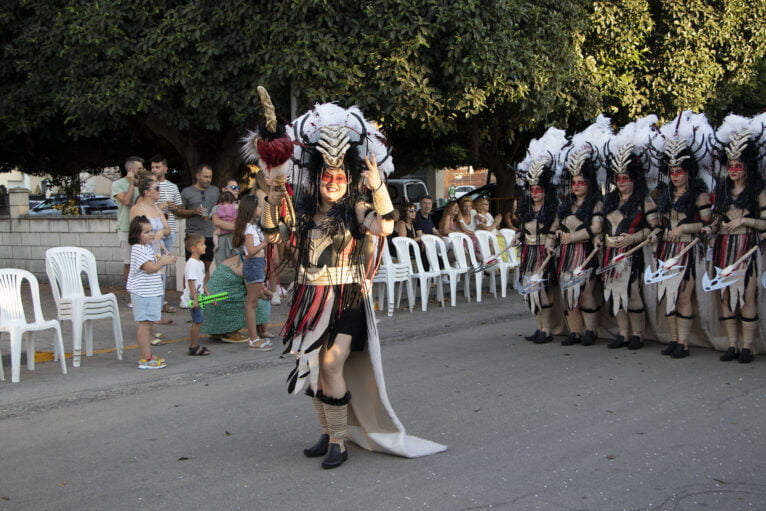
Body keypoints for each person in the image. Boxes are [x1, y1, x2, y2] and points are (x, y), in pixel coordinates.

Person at [244, 95, 445, 468]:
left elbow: (385, 226)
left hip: (346, 297)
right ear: (317, 177)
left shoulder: (357, 208)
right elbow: (272, 236)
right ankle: (327, 431)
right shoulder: (300, 211)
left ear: (348, 178)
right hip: (308, 297)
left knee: (333, 363)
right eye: (327, 176)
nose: (333, 182)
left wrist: (378, 186)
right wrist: (272, 200)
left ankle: (339, 441)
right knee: (315, 366)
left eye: (340, 177)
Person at [703, 115, 766, 363]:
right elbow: (717, 218)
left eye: (738, 166)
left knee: (747, 295)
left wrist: (745, 221)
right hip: (723, 248)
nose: (733, 170)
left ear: (747, 167)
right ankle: (732, 345)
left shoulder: (759, 192)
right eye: (730, 166)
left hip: (746, 248)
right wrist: (711, 229)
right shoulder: (722, 191)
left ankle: (748, 346)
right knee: (726, 296)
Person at [653, 112, 713, 359]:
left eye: (680, 171)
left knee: (684, 295)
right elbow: (660, 223)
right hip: (667, 250)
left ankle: (684, 343)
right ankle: (674, 339)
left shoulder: (699, 196)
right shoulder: (665, 196)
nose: (676, 175)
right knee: (670, 295)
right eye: (673, 171)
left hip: (688, 251)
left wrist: (685, 229)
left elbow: (709, 225)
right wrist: (658, 234)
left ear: (688, 171)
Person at [601, 117, 659, 350]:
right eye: (618, 178)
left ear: (634, 179)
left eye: (626, 178)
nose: (622, 182)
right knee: (615, 295)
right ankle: (623, 333)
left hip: (633, 255)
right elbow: (602, 226)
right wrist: (603, 238)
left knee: (633, 293)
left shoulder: (645, 202)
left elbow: (655, 229)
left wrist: (634, 237)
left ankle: (637, 334)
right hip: (610, 255)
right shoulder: (609, 201)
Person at [554, 120, 608, 346]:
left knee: (586, 292)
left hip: (585, 254)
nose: (576, 186)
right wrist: (554, 237)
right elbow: (555, 226)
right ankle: (574, 332)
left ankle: (590, 331)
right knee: (568, 294)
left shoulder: (596, 203)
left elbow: (596, 229)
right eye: (574, 182)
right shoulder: (565, 205)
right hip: (566, 255)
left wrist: (573, 237)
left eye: (580, 182)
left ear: (589, 183)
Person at [514, 129, 563, 344]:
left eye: (538, 189)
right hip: (528, 252)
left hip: (545, 253)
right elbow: (523, 228)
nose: (535, 193)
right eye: (532, 189)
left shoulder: (553, 208)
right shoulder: (526, 208)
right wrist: (518, 236)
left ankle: (548, 330)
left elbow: (555, 229)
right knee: (530, 293)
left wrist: (551, 242)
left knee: (542, 291)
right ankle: (539, 327)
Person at [126, 216, 176, 369]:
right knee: (145, 324)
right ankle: (146, 358)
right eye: (146, 232)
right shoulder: (138, 249)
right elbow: (150, 268)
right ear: (137, 234)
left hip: (150, 291)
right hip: (143, 293)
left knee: (148, 324)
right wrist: (163, 261)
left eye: (151, 231)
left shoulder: (146, 247)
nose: (151, 234)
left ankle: (147, 355)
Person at [231, 194, 272, 351]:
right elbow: (250, 252)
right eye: (258, 207)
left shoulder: (252, 226)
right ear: (252, 209)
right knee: (251, 303)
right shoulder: (249, 228)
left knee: (252, 303)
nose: (260, 209)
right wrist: (265, 243)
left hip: (257, 264)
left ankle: (255, 337)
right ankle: (253, 339)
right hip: (253, 264)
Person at [150, 155, 183, 314]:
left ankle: (162, 300)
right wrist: (160, 206)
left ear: (165, 168)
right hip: (153, 232)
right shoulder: (149, 187)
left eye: (157, 167)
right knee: (153, 266)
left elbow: (179, 208)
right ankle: (155, 301)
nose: (154, 170)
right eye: (153, 167)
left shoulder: (173, 187)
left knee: (164, 267)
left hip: (168, 229)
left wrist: (173, 207)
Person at [177, 164, 219, 279]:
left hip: (210, 233)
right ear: (197, 176)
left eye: (210, 177)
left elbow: (220, 208)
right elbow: (179, 212)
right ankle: (188, 295)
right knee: (191, 267)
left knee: (206, 267)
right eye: (205, 177)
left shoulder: (215, 191)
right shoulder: (187, 192)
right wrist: (194, 211)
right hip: (193, 234)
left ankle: (203, 295)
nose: (208, 180)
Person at [200, 255, 248, 343]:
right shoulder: (249, 262)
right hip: (217, 300)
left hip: (207, 299)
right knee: (254, 301)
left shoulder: (234, 258)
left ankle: (218, 332)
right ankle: (231, 332)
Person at [112, 156, 143, 285]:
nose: (142, 170)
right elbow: (126, 201)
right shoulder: (117, 184)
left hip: (142, 228)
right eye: (139, 168)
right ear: (130, 169)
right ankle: (131, 292)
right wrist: (131, 183)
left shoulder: (142, 184)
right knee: (129, 262)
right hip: (126, 228)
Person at [181, 233, 212, 356]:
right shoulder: (192, 263)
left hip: (199, 297)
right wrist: (195, 299)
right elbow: (191, 282)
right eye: (201, 245)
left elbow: (201, 281)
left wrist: (208, 295)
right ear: (193, 248)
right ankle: (193, 346)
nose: (205, 247)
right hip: (194, 298)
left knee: (199, 321)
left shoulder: (200, 263)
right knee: (197, 321)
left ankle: (195, 344)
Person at [212, 187, 238, 264]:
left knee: (214, 234)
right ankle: (217, 245)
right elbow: (217, 222)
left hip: (223, 231)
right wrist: (236, 227)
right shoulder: (235, 207)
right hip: (232, 233)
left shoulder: (219, 208)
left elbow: (218, 222)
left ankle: (215, 245)